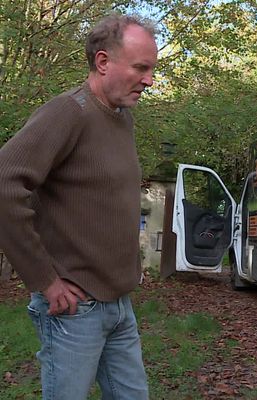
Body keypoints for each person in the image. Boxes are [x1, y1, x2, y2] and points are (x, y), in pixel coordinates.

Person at [0, 13, 158, 400]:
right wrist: (45, 280)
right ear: (103, 62)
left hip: (119, 305)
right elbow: (4, 183)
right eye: (141, 68)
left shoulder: (122, 118)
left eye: (152, 70)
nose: (150, 80)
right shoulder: (68, 112)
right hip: (74, 311)